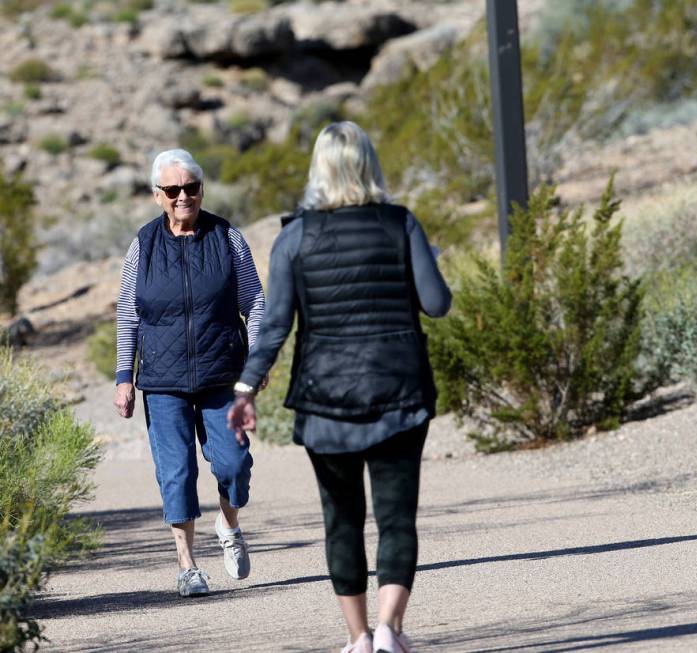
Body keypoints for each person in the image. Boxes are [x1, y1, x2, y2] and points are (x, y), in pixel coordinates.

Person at [227, 121, 451, 653]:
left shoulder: (294, 237)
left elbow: (275, 324)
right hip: (399, 392)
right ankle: (391, 630)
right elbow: (438, 304)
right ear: (369, 163)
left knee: (342, 519)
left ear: (318, 170)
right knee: (398, 517)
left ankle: (358, 638)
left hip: (326, 401)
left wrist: (246, 389)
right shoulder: (402, 225)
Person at [113, 149, 266, 597]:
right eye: (174, 190)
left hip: (223, 374)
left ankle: (230, 524)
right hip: (162, 381)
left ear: (202, 189)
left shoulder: (228, 238)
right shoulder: (142, 244)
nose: (184, 197)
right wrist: (124, 374)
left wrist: (256, 360)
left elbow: (255, 301)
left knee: (234, 465)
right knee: (176, 473)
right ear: (157, 195)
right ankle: (187, 566)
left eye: (192, 188)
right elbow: (128, 312)